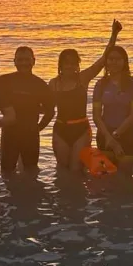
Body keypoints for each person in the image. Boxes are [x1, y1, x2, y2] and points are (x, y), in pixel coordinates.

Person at [51, 20, 123, 171]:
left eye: (73, 63)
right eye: (66, 63)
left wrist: (114, 34)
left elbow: (103, 60)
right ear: (60, 66)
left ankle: (82, 192)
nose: (69, 66)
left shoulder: (83, 79)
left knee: (76, 169)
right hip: (60, 129)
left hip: (81, 129)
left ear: (77, 65)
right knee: (62, 169)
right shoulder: (53, 84)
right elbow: (43, 106)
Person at [0, 46, 55, 174]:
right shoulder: (4, 81)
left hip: (31, 135)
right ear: (14, 61)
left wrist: (38, 128)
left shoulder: (40, 85)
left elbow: (50, 111)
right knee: (7, 171)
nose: (24, 63)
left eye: (27, 60)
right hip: (9, 134)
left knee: (31, 172)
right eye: (20, 60)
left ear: (34, 61)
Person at [92, 45, 133, 173]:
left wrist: (116, 135)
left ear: (124, 62)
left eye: (118, 59)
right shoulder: (100, 85)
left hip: (126, 133)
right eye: (111, 59)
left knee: (125, 178)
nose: (114, 62)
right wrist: (109, 138)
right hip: (105, 133)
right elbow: (97, 116)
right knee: (105, 176)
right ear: (106, 62)